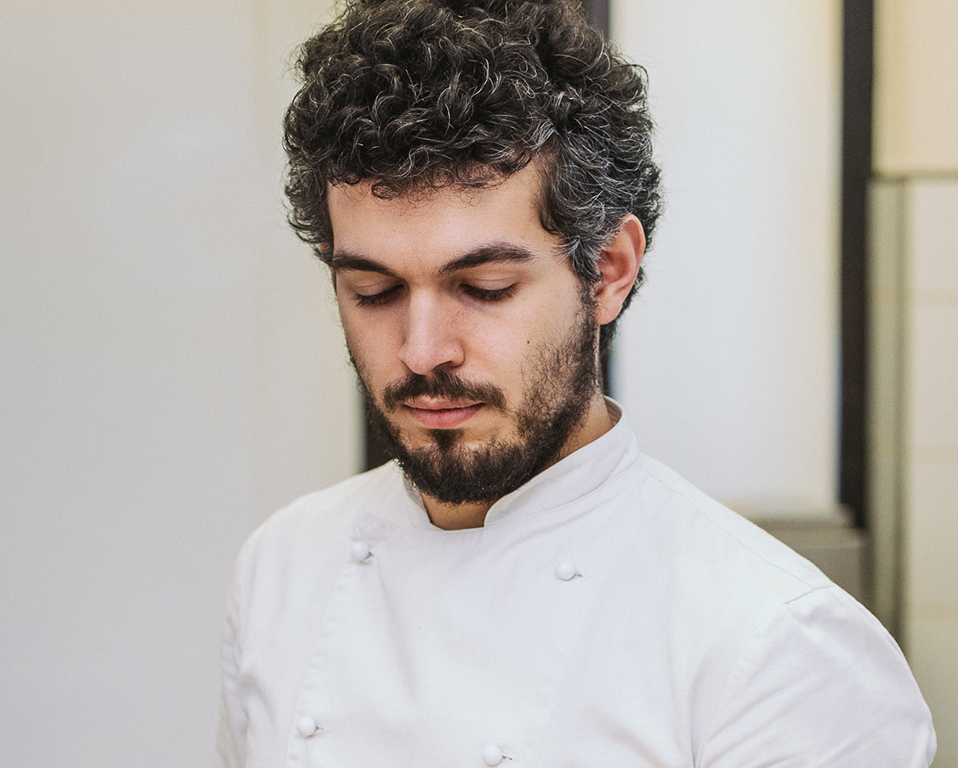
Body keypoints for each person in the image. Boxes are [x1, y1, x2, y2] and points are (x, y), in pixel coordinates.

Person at [217, 0, 936, 764]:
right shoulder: (284, 565)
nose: (422, 351)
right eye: (374, 291)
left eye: (485, 287)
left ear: (608, 271)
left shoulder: (778, 648)